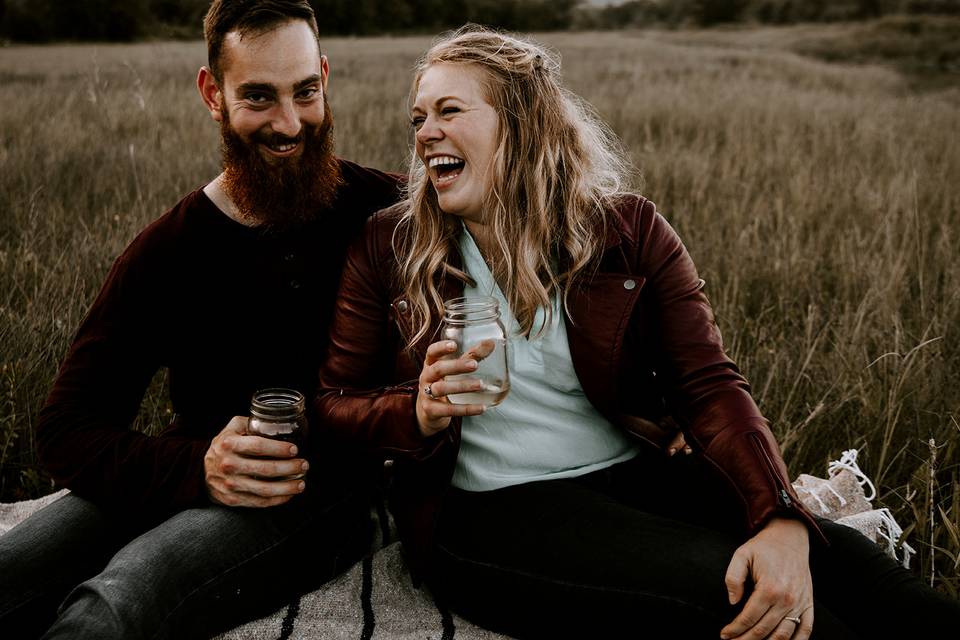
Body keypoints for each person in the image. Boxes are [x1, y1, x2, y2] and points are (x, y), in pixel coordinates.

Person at [316, 25, 960, 639]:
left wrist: (780, 514)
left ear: (519, 125)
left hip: (632, 473)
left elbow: (708, 384)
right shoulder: (390, 244)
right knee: (744, 599)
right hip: (487, 515)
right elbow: (335, 406)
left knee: (849, 565)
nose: (425, 132)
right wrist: (418, 412)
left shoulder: (627, 231)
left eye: (448, 111)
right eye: (418, 117)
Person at [0, 1, 402, 638]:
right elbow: (65, 428)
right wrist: (196, 468)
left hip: (314, 493)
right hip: (185, 467)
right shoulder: (168, 250)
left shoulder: (386, 211)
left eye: (306, 92)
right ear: (212, 94)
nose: (289, 123)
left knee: (117, 600)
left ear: (325, 75)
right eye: (259, 97)